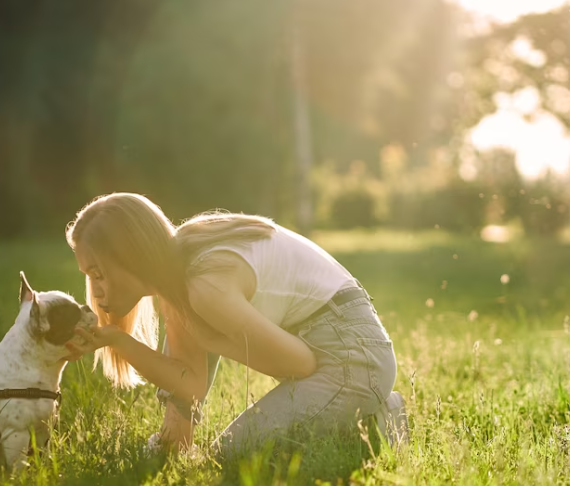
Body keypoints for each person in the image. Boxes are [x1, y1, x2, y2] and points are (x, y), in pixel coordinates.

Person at [63, 192, 407, 455]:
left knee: (228, 457)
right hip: (346, 345)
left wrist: (213, 340)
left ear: (131, 257)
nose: (95, 293)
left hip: (354, 359)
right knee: (231, 453)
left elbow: (300, 364)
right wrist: (118, 340)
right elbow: (190, 386)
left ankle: (372, 422)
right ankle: (364, 413)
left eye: (98, 275)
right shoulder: (178, 270)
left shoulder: (204, 286)